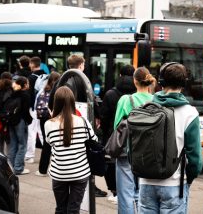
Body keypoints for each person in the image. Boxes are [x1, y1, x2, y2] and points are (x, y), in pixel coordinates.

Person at [137, 63, 203, 214]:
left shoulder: (145, 107)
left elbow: (133, 147)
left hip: (146, 182)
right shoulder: (190, 113)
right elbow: (195, 159)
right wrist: (189, 178)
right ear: (184, 83)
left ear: (160, 82)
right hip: (175, 183)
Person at [48, 54, 107, 197]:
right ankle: (89, 185)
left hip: (61, 124)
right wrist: (97, 117)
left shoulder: (61, 80)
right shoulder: (82, 80)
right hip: (80, 123)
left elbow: (51, 102)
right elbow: (91, 100)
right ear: (81, 65)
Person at [44, 86, 97, 214]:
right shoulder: (83, 121)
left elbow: (50, 142)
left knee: (60, 208)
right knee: (74, 209)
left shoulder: (49, 124)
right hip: (80, 172)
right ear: (72, 102)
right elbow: (94, 140)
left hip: (59, 173)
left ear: (56, 103)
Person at [113, 67, 155, 214]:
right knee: (143, 195)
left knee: (125, 195)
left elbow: (117, 126)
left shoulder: (126, 100)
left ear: (134, 81)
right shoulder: (156, 101)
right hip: (149, 154)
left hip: (127, 152)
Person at [100, 64, 136, 204]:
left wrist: (106, 131)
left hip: (113, 134)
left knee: (111, 162)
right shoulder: (137, 94)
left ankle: (115, 191)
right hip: (134, 136)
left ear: (120, 75)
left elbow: (104, 116)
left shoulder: (110, 94)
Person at [35, 71, 61, 177]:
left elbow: (37, 103)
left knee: (47, 142)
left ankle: (42, 169)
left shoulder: (44, 89)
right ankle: (52, 168)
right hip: (53, 118)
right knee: (55, 143)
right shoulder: (58, 91)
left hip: (43, 118)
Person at [7, 76, 32, 175]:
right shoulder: (25, 95)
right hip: (20, 121)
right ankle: (18, 168)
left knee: (13, 144)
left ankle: (10, 167)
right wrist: (29, 120)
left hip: (11, 121)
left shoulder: (13, 94)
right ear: (25, 85)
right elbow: (25, 111)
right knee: (22, 145)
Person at [25, 56, 46, 164]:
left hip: (33, 108)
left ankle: (30, 156)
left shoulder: (31, 78)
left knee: (31, 131)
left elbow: (29, 94)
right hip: (43, 108)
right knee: (42, 132)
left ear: (32, 64)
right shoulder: (46, 76)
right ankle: (48, 152)